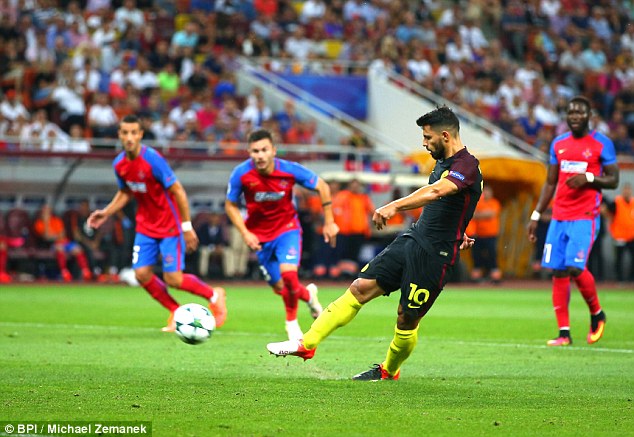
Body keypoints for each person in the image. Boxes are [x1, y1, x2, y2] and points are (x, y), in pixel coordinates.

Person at [267, 106, 481, 381]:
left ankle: (389, 371)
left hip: (434, 255)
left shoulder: (467, 165)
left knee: (406, 317)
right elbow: (455, 203)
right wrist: (459, 228)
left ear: (445, 136)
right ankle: (306, 344)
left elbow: (438, 191)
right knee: (360, 287)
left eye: (427, 138)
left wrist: (394, 206)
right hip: (413, 240)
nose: (424, 143)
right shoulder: (442, 162)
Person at [87, 114, 227, 331]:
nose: (130, 137)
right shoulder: (120, 165)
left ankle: (214, 294)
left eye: (134, 132)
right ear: (119, 135)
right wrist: (106, 212)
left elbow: (178, 190)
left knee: (174, 279)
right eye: (125, 133)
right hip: (145, 227)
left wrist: (187, 227)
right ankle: (176, 311)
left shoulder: (152, 159)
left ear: (141, 134)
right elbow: (126, 192)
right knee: (141, 274)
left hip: (169, 226)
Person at [225, 128, 339, 341]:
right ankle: (309, 296)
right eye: (255, 151)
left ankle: (291, 323)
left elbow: (322, 186)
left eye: (264, 150)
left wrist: (330, 221)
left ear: (273, 151)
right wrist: (245, 232)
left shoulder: (289, 170)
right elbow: (230, 205)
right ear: (249, 153)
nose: (259, 155)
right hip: (259, 236)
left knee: (289, 275)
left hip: (287, 229)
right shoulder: (241, 174)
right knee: (281, 287)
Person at [527, 96, 619, 347]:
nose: (575, 116)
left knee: (575, 267)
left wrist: (589, 177)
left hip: (585, 216)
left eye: (580, 112)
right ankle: (564, 333)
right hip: (559, 216)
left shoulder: (602, 143)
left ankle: (597, 314)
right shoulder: (558, 144)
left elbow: (613, 180)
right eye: (571, 113)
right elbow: (550, 182)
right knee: (558, 271)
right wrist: (536, 215)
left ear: (590, 115)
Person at [33, 204, 92, 282]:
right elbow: (46, 237)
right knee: (60, 249)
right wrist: (46, 223)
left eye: (48, 211)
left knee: (77, 249)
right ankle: (64, 272)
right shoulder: (38, 223)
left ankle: (85, 271)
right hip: (51, 245)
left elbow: (62, 234)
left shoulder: (57, 220)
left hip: (64, 242)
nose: (46, 213)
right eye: (45, 211)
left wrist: (54, 235)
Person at [469, 185, 502, 283]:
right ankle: (477, 275)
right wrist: (483, 214)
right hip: (478, 235)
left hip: (491, 235)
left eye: (488, 191)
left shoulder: (494, 202)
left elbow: (491, 214)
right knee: (477, 256)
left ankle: (495, 276)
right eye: (485, 191)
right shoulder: (478, 203)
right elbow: (472, 214)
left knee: (492, 254)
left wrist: (479, 214)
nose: (486, 193)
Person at [606, 182, 634, 284]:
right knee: (619, 259)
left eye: (628, 190)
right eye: (625, 190)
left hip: (631, 236)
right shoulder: (617, 202)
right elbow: (607, 213)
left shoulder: (633, 203)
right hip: (620, 236)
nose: (627, 192)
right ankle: (620, 279)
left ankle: (631, 279)